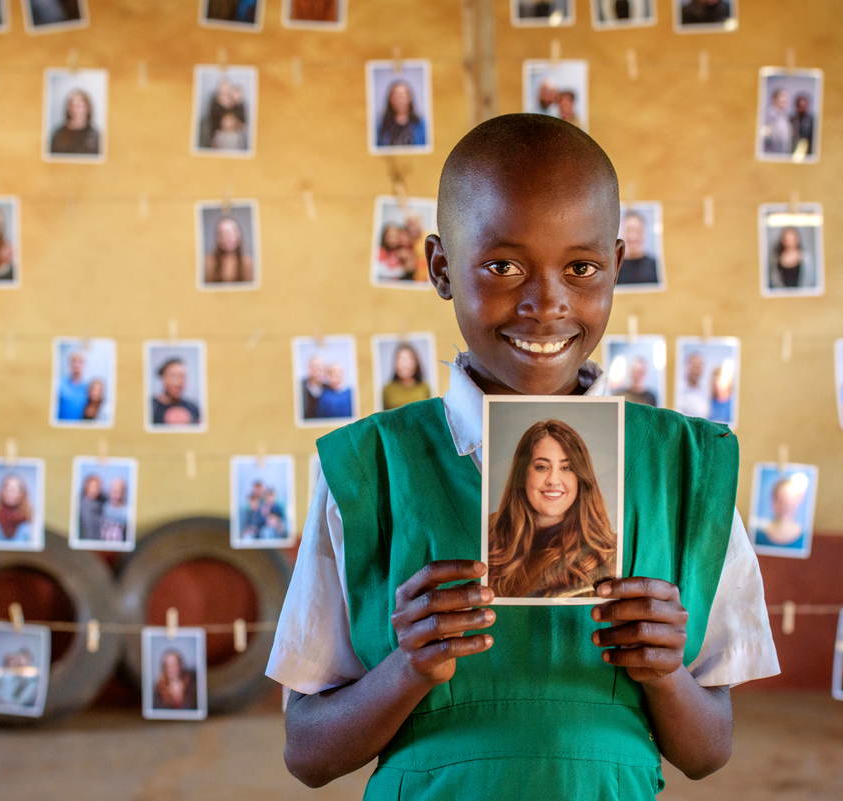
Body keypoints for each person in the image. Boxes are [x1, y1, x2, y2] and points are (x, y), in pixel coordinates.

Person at [269, 114, 778, 797]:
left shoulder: (686, 470)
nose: (546, 302)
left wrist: (666, 673)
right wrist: (408, 667)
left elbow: (708, 750)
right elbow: (307, 752)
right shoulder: (370, 468)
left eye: (581, 267)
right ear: (442, 268)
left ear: (617, 268)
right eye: (504, 265)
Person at [488, 420, 615, 598]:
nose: (553, 480)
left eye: (566, 468)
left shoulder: (606, 554)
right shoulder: (489, 532)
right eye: (542, 467)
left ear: (580, 477)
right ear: (523, 473)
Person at [753, 475, 808, 550]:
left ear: (798, 500)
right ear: (773, 501)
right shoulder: (758, 535)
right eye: (779, 500)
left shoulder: (804, 538)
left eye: (788, 500)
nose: (784, 506)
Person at [50, 88, 101, 156]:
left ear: (87, 108)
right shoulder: (58, 134)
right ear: (68, 108)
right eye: (73, 106)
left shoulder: (95, 136)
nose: (76, 110)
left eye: (80, 106)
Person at [199, 79, 247, 150]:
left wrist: (235, 124)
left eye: (227, 90)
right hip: (218, 135)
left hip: (233, 136)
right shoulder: (214, 105)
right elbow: (212, 124)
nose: (224, 92)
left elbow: (242, 124)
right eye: (222, 91)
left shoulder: (238, 104)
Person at [376, 80, 427, 149]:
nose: (399, 100)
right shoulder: (380, 126)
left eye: (403, 96)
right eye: (396, 96)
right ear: (390, 99)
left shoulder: (421, 125)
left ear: (409, 99)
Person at [203, 216, 254, 284]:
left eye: (231, 232)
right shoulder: (208, 262)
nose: (227, 238)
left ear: (239, 236)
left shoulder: (248, 262)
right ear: (217, 238)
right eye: (222, 233)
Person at [151, 358, 201, 425]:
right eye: (173, 376)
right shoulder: (151, 407)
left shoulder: (192, 407)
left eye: (182, 377)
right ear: (163, 378)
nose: (177, 383)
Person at [382, 343, 431, 410]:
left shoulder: (424, 388)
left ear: (415, 363)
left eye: (409, 359)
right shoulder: (387, 390)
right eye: (401, 359)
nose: (404, 365)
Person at [617, 211, 658, 286]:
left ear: (644, 233)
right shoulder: (614, 268)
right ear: (622, 233)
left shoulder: (656, 266)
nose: (633, 236)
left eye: (637, 230)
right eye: (629, 230)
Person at [0, 474, 34, 543]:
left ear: (21, 493)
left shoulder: (27, 519)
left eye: (14, 490)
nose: (11, 494)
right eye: (8, 490)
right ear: (2, 492)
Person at [676, 351, 711, 419]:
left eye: (699, 366)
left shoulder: (707, 390)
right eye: (693, 365)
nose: (696, 369)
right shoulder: (677, 388)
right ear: (686, 366)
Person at [56, 351, 88, 419]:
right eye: (74, 361)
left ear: (84, 365)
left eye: (80, 362)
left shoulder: (87, 388)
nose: (76, 364)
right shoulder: (59, 383)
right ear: (69, 364)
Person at [762, 88, 792, 155]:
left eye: (787, 97)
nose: (785, 99)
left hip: (783, 155)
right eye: (782, 96)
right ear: (774, 99)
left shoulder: (784, 116)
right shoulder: (766, 115)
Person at [100, 478, 129, 544]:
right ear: (109, 491)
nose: (116, 494)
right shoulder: (104, 507)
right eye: (114, 490)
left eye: (119, 491)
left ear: (124, 493)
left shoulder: (128, 512)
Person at [77, 474, 104, 540]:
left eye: (98, 486)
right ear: (87, 486)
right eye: (93, 486)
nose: (96, 489)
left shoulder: (101, 505)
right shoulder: (81, 506)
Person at [300, 355, 326, 419]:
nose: (319, 371)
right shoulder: (300, 387)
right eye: (315, 368)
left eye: (321, 368)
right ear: (309, 369)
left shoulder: (327, 388)